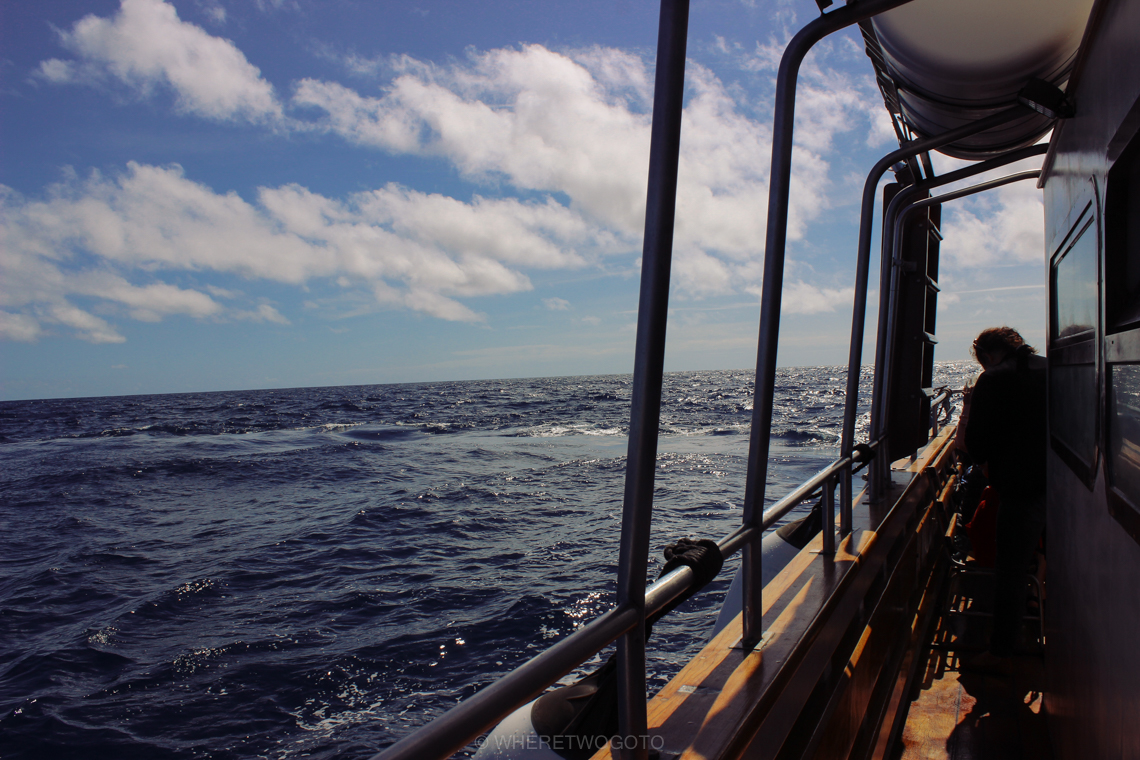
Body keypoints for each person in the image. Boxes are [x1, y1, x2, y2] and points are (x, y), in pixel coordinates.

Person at [960, 327, 1047, 672]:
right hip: (1068, 487)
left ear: (990, 356)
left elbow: (976, 444)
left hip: (1020, 488)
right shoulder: (1050, 369)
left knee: (1009, 572)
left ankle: (1000, 653)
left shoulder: (993, 381)